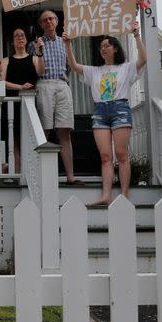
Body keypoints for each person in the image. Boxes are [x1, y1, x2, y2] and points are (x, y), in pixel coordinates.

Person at [62, 22, 147, 205]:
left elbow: (143, 59)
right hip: (100, 111)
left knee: (122, 155)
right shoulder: (95, 71)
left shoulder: (126, 68)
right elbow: (74, 66)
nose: (103, 49)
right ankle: (106, 196)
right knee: (105, 157)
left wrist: (137, 36)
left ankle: (124, 195)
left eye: (106, 45)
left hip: (120, 109)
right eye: (101, 47)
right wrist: (68, 45)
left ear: (115, 48)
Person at [34, 10, 82, 185]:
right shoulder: (36, 44)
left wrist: (64, 80)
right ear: (41, 25)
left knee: (64, 131)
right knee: (44, 131)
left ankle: (70, 176)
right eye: (45, 20)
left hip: (62, 85)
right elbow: (37, 70)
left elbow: (71, 66)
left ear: (57, 21)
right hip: (44, 83)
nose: (48, 22)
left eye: (51, 18)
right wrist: (38, 50)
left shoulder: (65, 42)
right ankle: (41, 175)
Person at [0, 27, 44, 172]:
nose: (20, 37)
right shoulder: (6, 61)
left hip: (29, 104)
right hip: (12, 104)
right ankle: (18, 171)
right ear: (12, 41)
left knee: (28, 138)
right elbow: (2, 82)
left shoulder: (35, 59)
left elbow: (41, 72)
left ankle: (29, 170)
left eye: (22, 35)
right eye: (16, 35)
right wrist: (21, 87)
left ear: (26, 39)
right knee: (14, 140)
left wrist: (40, 52)